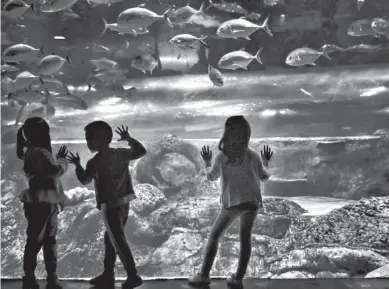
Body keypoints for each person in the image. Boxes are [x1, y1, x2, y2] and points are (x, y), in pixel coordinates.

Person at [188, 115, 273, 289]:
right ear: (246, 134)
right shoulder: (253, 156)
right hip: (252, 202)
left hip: (231, 203)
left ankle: (204, 276)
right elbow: (264, 177)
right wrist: (265, 162)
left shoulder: (222, 157)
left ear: (227, 133)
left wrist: (207, 162)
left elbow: (211, 177)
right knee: (245, 239)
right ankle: (238, 279)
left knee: (214, 236)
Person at [66, 121, 147, 289]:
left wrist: (77, 165)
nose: (87, 142)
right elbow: (141, 151)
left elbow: (84, 180)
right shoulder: (120, 153)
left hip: (110, 206)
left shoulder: (93, 162)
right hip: (124, 203)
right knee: (110, 239)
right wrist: (129, 139)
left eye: (89, 139)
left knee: (118, 240)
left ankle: (133, 275)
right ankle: (108, 274)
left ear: (97, 141)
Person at [16, 117, 69, 289]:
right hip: (42, 203)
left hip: (46, 202)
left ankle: (44, 277)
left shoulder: (34, 151)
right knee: (39, 240)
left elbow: (50, 179)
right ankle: (33, 278)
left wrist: (59, 196)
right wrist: (62, 160)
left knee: (44, 240)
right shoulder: (39, 152)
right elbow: (54, 172)